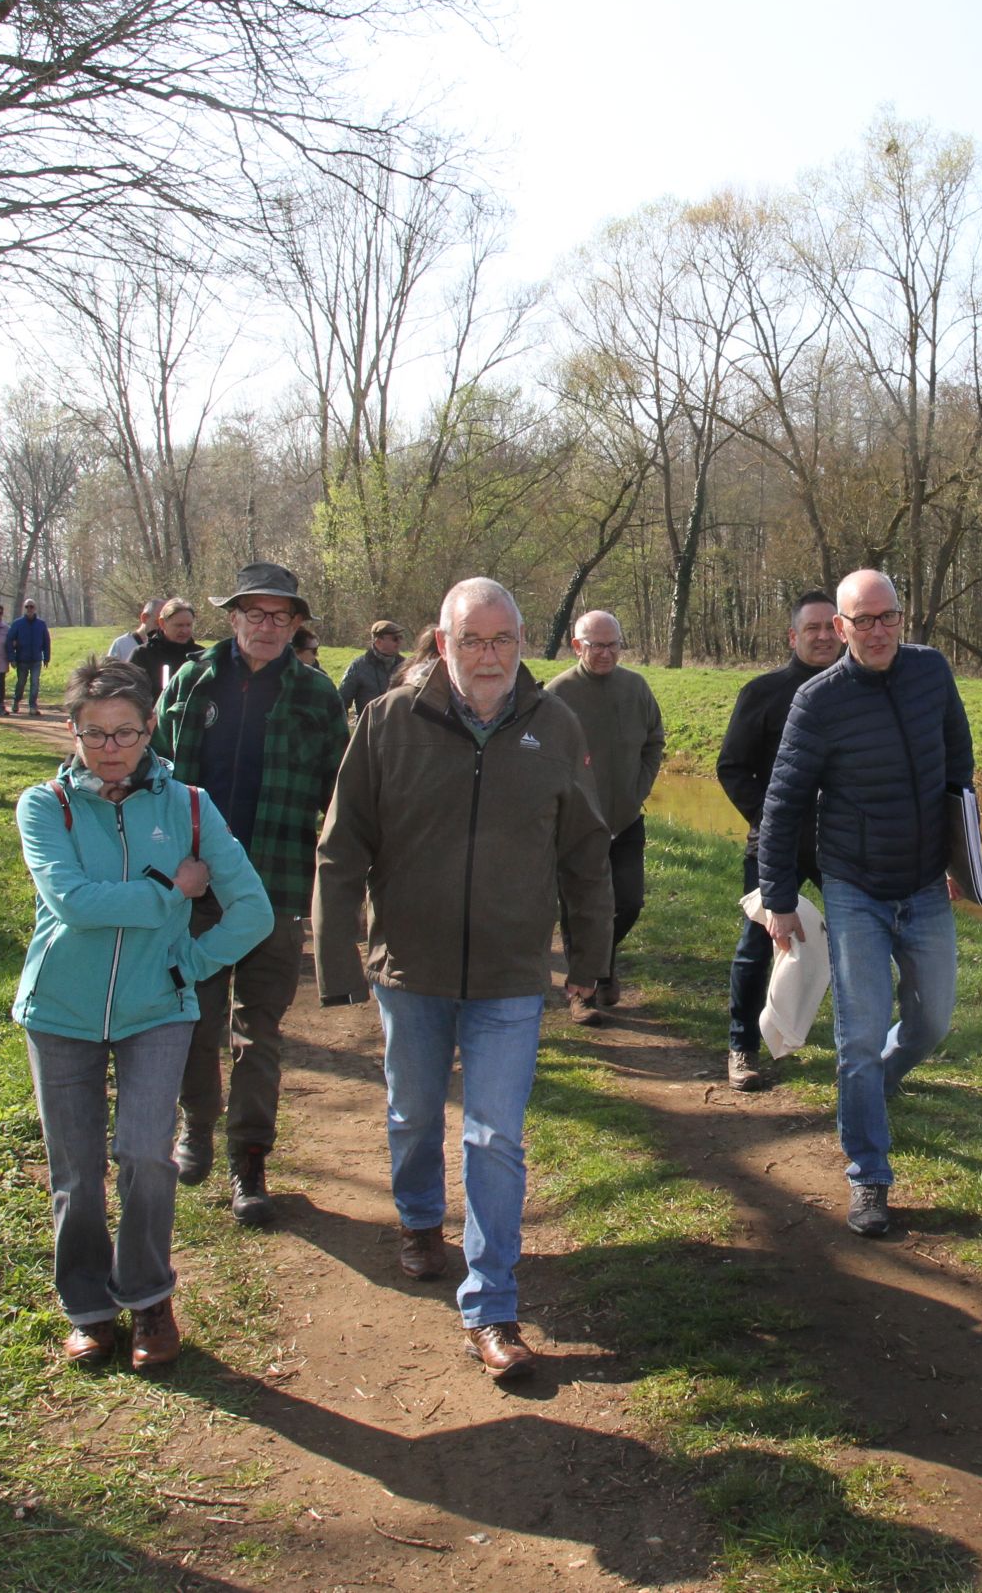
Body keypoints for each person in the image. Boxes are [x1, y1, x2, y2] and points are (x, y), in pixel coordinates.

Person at [316, 578, 611, 1384]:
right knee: (413, 1111)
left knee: (495, 1134)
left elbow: (585, 850)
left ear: (523, 643)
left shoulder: (555, 726)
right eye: (471, 640)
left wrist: (590, 959)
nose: (488, 656)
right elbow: (341, 849)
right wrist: (338, 959)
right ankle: (418, 1219)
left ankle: (492, 1304)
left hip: (512, 975)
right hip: (410, 970)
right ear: (440, 644)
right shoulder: (386, 725)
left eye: (503, 639)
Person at [14, 659, 273, 1370]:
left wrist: (187, 961)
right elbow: (72, 900)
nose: (110, 747)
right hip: (60, 1008)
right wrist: (170, 892)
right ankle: (89, 1310)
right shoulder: (46, 806)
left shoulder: (188, 806)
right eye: (93, 733)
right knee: (75, 1168)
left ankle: (148, 1297)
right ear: (71, 731)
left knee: (144, 1155)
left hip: (157, 1007)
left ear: (151, 728)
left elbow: (253, 908)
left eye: (125, 731)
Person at [756, 570, 974, 1239]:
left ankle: (875, 1083)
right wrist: (779, 898)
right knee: (857, 1032)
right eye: (863, 620)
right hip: (854, 886)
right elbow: (785, 801)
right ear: (839, 628)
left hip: (924, 884)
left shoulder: (931, 673)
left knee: (931, 1020)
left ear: (902, 619)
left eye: (889, 617)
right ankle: (869, 1177)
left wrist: (964, 857)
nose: (877, 631)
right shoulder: (818, 702)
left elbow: (959, 765)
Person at [151, 562, 348, 1227]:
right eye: (253, 614)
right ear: (231, 618)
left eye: (279, 617)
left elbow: (337, 799)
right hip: (194, 893)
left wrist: (339, 885)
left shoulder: (318, 696)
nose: (265, 627)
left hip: (275, 889)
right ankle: (196, 1130)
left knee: (257, 1031)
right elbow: (154, 785)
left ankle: (249, 1161)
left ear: (296, 626)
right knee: (193, 1023)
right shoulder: (189, 684)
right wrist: (171, 868)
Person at [715, 590, 842, 1089]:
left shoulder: (858, 692)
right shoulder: (763, 693)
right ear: (793, 637)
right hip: (775, 843)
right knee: (758, 944)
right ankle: (741, 1047)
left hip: (841, 845)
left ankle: (855, 1052)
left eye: (829, 627)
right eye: (811, 629)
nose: (822, 637)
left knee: (856, 946)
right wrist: (771, 821)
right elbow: (732, 768)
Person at [544, 610, 664, 1019]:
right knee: (580, 907)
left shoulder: (636, 688)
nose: (607, 653)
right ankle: (583, 994)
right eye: (597, 645)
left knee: (628, 902)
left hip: (626, 819)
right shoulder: (558, 695)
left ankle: (602, 963)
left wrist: (637, 790)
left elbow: (654, 742)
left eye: (614, 644)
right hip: (578, 825)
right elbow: (543, 758)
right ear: (578, 646)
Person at [130, 597, 202, 695]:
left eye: (188, 625)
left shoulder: (200, 655)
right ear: (162, 623)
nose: (185, 630)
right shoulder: (142, 655)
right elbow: (130, 693)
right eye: (179, 625)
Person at [338, 620, 405, 720]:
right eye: (395, 639)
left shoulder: (406, 666)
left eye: (401, 637)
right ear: (378, 641)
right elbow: (341, 702)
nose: (399, 642)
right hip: (369, 730)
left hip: (398, 730)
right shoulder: (358, 666)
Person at [8, 599, 54, 717]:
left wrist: (47, 657)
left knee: (35, 683)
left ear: (35, 608)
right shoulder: (17, 623)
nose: (29, 609)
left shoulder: (41, 624)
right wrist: (11, 658)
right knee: (21, 682)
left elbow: (46, 641)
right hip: (22, 659)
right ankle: (16, 700)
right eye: (27, 607)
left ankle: (32, 705)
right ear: (24, 608)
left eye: (31, 607)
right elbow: (9, 641)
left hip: (36, 659)